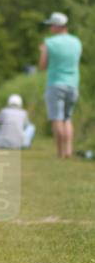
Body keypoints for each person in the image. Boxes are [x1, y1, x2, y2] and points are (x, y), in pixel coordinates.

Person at [39, 12, 82, 159]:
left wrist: (43, 51)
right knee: (67, 118)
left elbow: (43, 66)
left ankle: (60, 152)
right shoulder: (77, 42)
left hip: (55, 83)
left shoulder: (49, 43)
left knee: (57, 119)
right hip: (73, 84)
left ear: (57, 26)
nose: (50, 27)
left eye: (51, 25)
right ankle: (69, 150)